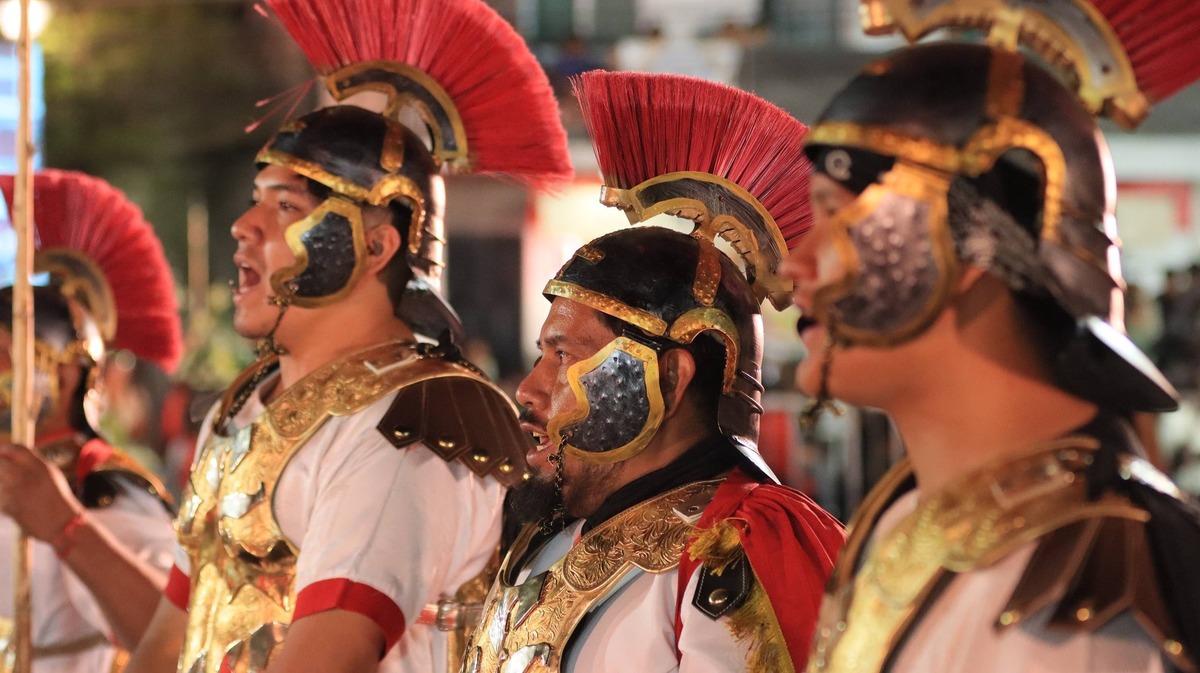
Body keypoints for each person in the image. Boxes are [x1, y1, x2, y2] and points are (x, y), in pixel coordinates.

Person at [125, 1, 571, 672]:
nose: (245, 225)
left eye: (286, 207)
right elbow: (173, 632)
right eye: (255, 198)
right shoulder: (243, 402)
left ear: (376, 245)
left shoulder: (412, 424)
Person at [785, 6, 1200, 671]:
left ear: (967, 242)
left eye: (834, 213)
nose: (795, 266)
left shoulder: (1080, 593)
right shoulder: (901, 517)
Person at [463, 71, 845, 673]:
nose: (530, 388)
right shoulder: (550, 538)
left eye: (563, 356)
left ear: (668, 378)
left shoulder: (736, 546)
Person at [0, 169, 181, 671]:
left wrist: (64, 526)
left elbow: (171, 640)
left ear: (62, 369)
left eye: (4, 354)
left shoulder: (99, 483)